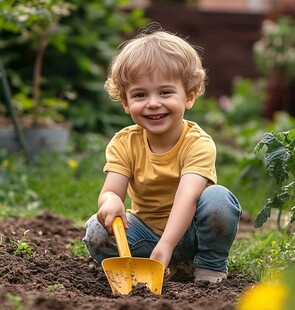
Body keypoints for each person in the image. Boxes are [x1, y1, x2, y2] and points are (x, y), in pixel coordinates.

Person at [83, 25, 242, 284]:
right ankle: (153, 265)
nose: (153, 102)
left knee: (218, 200)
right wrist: (110, 201)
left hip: (192, 234)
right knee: (97, 231)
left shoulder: (197, 143)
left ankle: (209, 265)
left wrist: (167, 245)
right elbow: (111, 191)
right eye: (140, 94)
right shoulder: (124, 143)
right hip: (145, 235)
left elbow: (188, 197)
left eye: (165, 92)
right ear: (125, 102)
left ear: (189, 96)